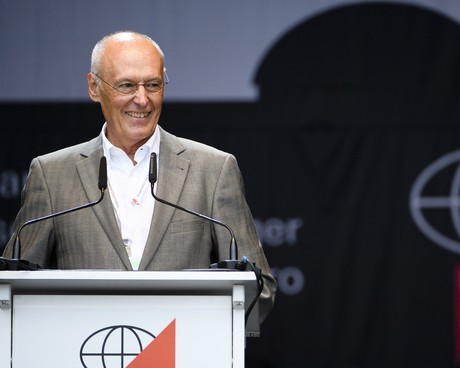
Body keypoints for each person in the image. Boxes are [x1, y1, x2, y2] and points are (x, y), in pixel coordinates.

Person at [2, 31, 276, 321]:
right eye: (127, 85)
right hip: (84, 358)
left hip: (182, 357)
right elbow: (12, 290)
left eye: (153, 85)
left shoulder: (213, 170)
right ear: (94, 87)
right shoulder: (52, 175)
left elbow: (260, 290)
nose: (142, 99)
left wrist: (205, 327)